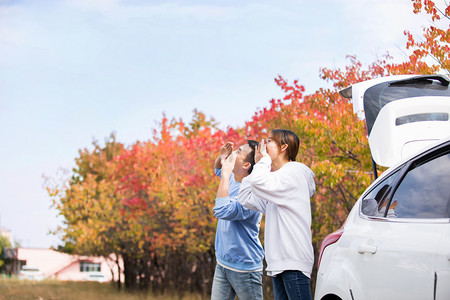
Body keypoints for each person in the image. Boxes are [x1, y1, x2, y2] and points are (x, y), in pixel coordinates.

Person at [236, 129, 316, 300]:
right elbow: (245, 197)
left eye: (270, 140)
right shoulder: (277, 181)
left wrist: (262, 163)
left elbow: (260, 182)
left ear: (283, 147)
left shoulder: (293, 173)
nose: (265, 143)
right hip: (279, 262)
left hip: (292, 260)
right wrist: (259, 166)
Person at [210, 140, 264, 300]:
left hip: (245, 267)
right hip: (223, 262)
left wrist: (226, 174)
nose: (234, 152)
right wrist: (221, 159)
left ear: (247, 164)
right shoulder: (234, 177)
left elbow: (222, 210)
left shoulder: (252, 193)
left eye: (239, 151)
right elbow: (218, 170)